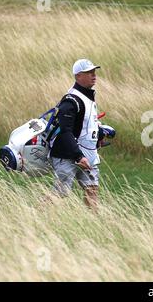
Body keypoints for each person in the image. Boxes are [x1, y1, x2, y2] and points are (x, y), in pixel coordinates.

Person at [48, 58, 103, 210]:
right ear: (78, 76)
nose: (94, 75)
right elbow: (65, 132)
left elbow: (85, 126)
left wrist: (100, 134)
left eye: (94, 72)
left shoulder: (88, 97)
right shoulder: (71, 100)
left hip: (87, 155)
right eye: (89, 72)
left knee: (92, 190)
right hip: (68, 155)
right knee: (60, 193)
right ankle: (34, 217)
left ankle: (94, 227)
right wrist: (79, 156)